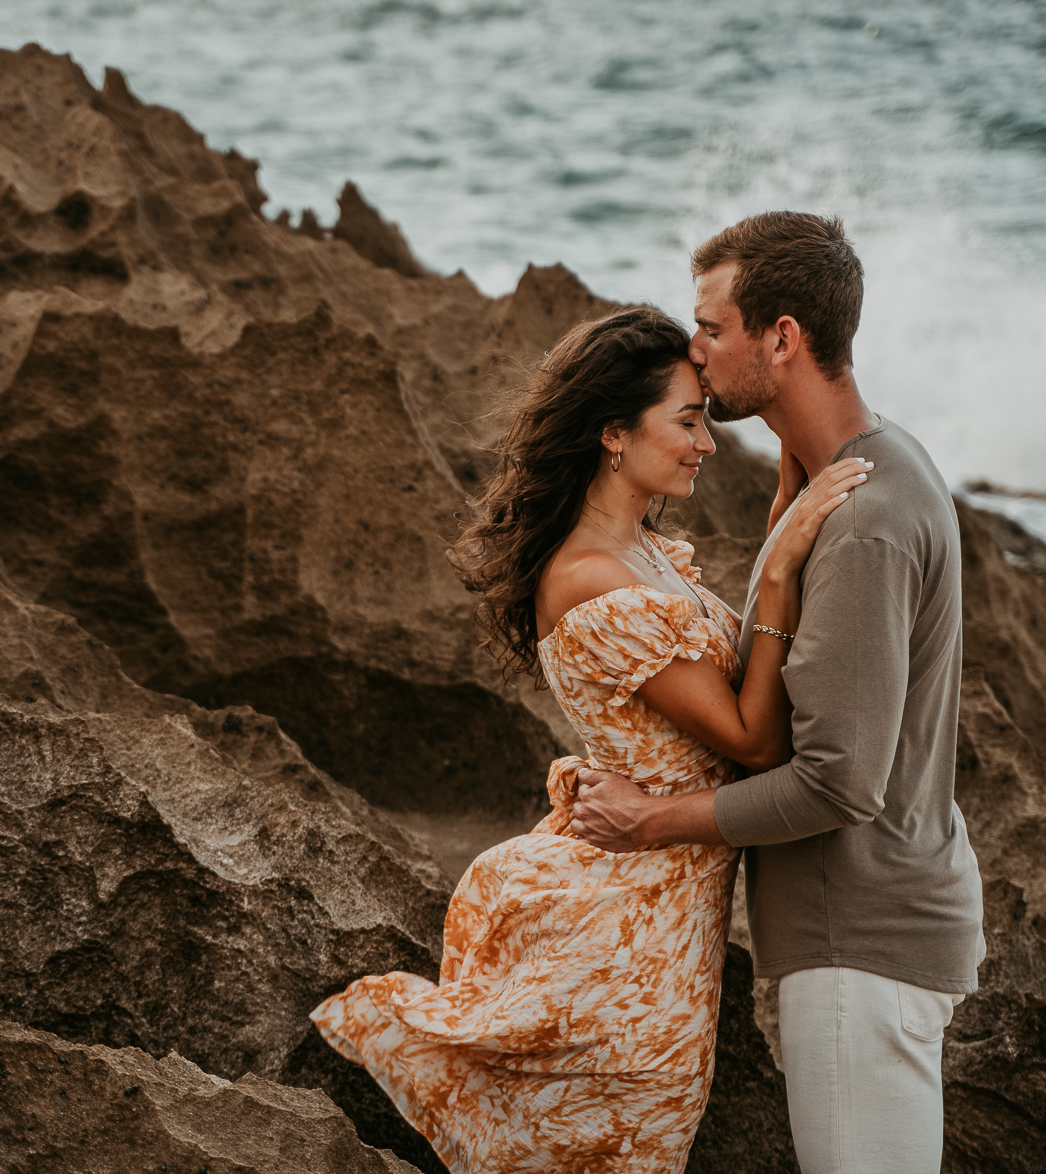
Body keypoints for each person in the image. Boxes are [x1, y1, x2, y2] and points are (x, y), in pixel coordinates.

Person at [311, 304, 871, 1173]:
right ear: (614, 434)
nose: (706, 443)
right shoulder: (591, 582)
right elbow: (756, 740)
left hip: (666, 928)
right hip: (626, 941)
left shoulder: (644, 550)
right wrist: (787, 569)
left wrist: (801, 445)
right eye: (687, 422)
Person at [569, 212, 987, 1174]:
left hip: (860, 949)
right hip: (873, 926)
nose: (695, 349)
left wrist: (650, 821)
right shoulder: (877, 466)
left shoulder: (865, 520)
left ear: (784, 338)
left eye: (714, 327)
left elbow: (839, 785)